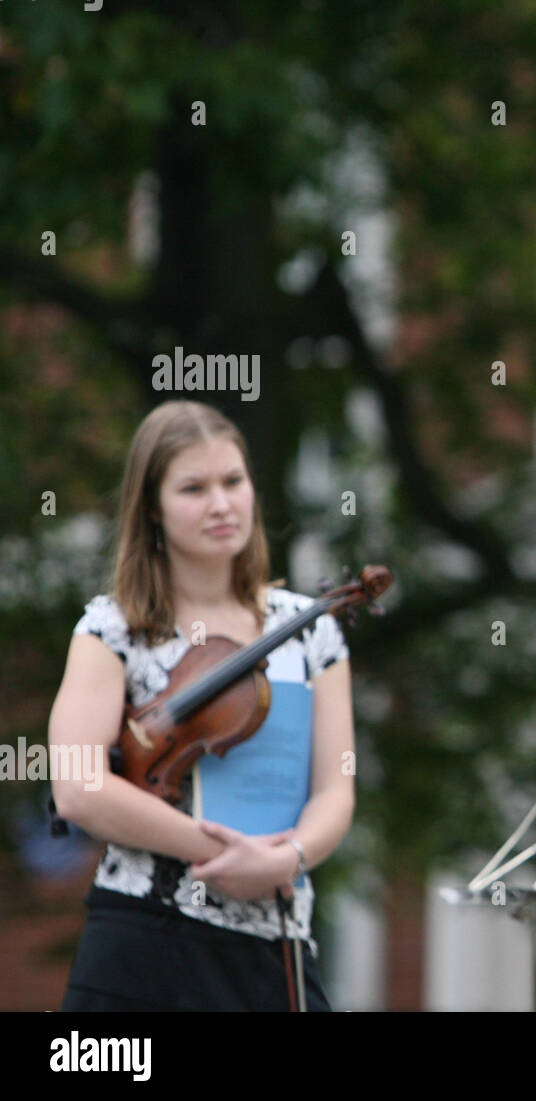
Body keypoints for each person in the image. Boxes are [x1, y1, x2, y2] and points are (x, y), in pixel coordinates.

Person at [48, 400, 355, 1011]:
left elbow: (337, 787)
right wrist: (223, 855)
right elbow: (78, 787)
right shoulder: (113, 628)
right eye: (194, 488)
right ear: (153, 509)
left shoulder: (309, 627)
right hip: (144, 939)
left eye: (232, 482)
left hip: (278, 947)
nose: (221, 504)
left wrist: (284, 860)